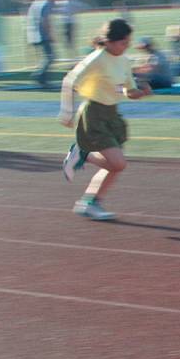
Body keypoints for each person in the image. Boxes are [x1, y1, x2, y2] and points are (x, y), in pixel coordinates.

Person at [58, 19, 152, 221]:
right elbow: (69, 81)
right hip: (94, 115)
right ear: (109, 41)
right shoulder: (97, 58)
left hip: (112, 115)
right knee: (118, 163)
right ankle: (84, 156)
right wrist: (67, 112)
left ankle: (90, 202)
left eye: (128, 43)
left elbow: (128, 91)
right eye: (122, 43)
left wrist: (141, 92)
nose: (125, 46)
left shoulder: (124, 60)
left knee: (114, 165)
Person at [26, 0, 56, 88]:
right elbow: (45, 20)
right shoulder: (46, 4)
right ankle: (40, 76)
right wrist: (50, 34)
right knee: (50, 57)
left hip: (33, 34)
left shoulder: (35, 3)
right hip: (42, 34)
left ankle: (40, 75)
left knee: (45, 57)